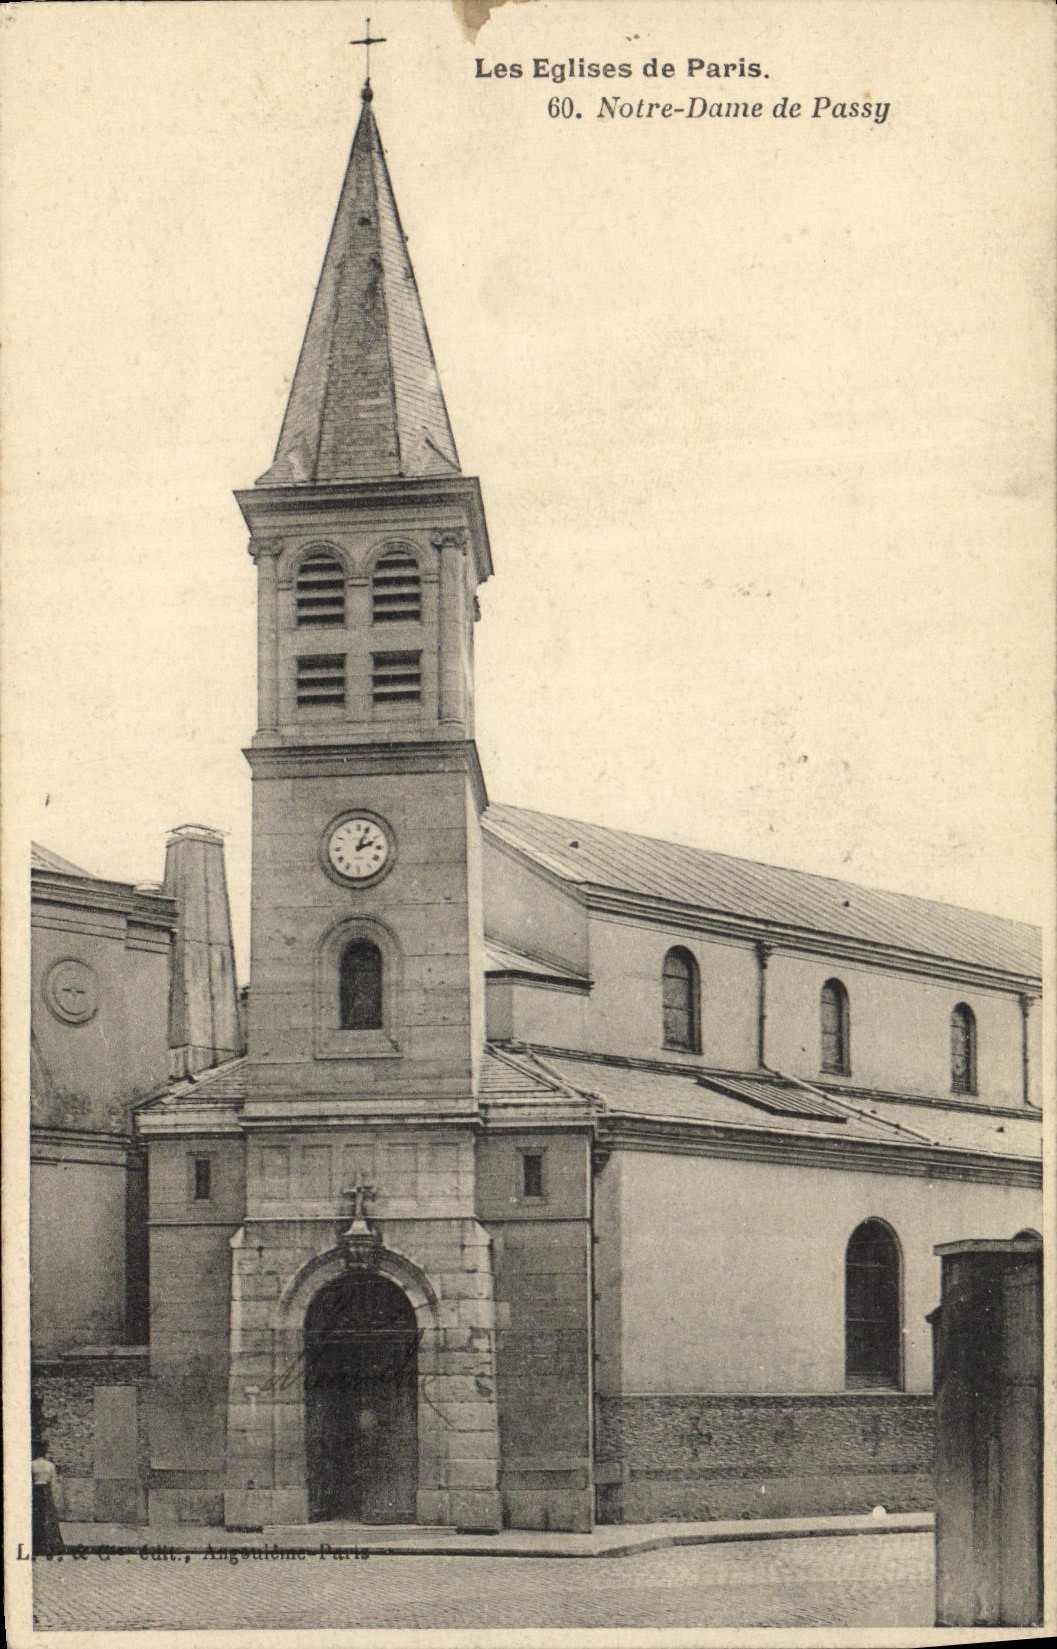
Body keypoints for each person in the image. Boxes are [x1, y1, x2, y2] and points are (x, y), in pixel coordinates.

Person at [32, 1441, 65, 1557]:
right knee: (48, 1516)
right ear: (45, 1452)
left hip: (36, 1491)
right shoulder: (50, 1465)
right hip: (46, 1491)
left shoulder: (32, 1464)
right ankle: (50, 1543)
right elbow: (53, 1482)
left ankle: (37, 1543)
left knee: (37, 1516)